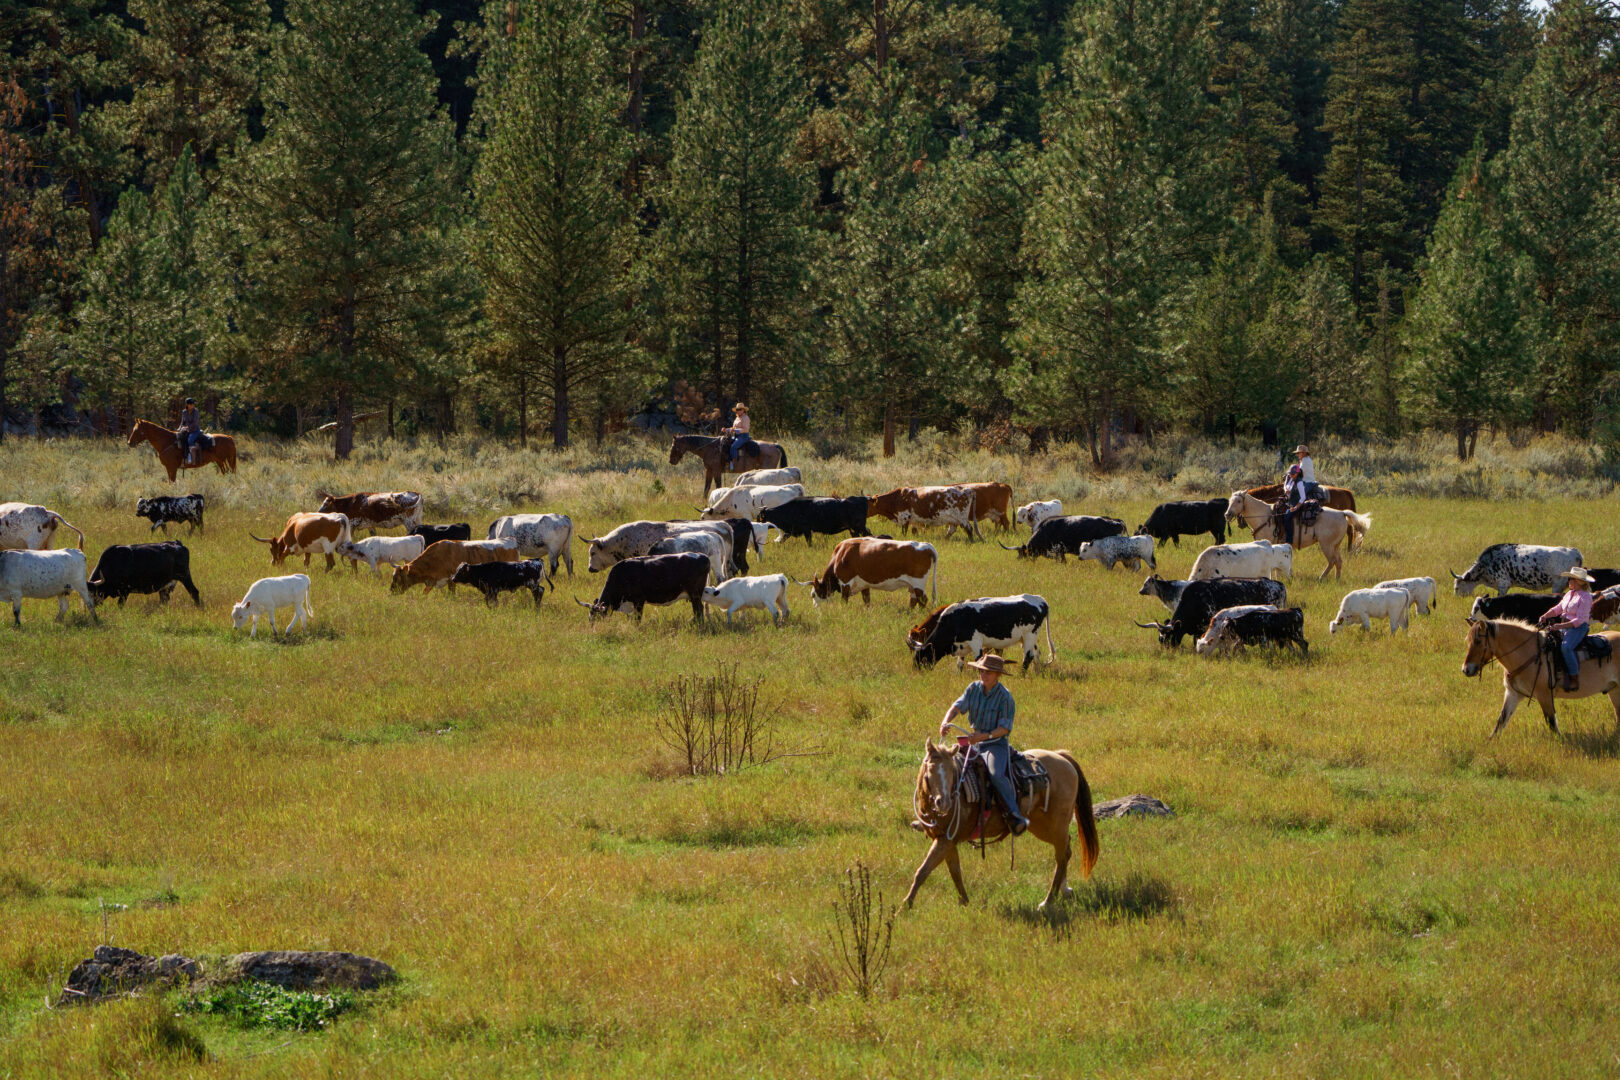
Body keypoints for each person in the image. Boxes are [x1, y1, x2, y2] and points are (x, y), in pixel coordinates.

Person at [937, 653, 1028, 835]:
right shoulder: (973, 689)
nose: (983, 675)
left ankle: (1014, 813)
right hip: (973, 742)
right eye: (981, 671)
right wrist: (945, 721)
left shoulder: (1005, 698)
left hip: (995, 744)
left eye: (988, 672)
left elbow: (1004, 729)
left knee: (995, 774)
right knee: (948, 767)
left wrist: (983, 737)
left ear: (997, 675)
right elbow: (957, 706)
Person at [1540, 567, 1595, 692]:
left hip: (1578, 628)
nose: (1568, 581)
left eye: (1571, 579)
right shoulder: (1569, 594)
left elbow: (1580, 620)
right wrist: (1545, 615)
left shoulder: (1585, 597)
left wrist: (1560, 626)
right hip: (1565, 626)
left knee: (1566, 647)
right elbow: (1557, 609)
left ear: (1579, 581)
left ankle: (1574, 678)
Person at [722, 403, 755, 469]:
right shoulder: (737, 418)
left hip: (743, 436)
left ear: (743, 410)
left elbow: (745, 429)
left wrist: (735, 430)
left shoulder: (745, 418)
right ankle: (727, 461)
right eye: (737, 409)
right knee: (725, 443)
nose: (738, 411)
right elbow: (733, 428)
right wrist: (727, 429)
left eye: (740, 409)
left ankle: (734, 463)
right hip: (737, 436)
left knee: (733, 446)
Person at [178, 397, 201, 466]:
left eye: (193, 404)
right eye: (190, 404)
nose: (192, 405)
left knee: (190, 440)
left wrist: (188, 427)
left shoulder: (196, 411)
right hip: (186, 429)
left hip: (194, 430)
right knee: (179, 439)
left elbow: (195, 423)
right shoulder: (184, 412)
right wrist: (179, 428)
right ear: (187, 405)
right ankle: (183, 458)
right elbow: (182, 422)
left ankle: (192, 460)